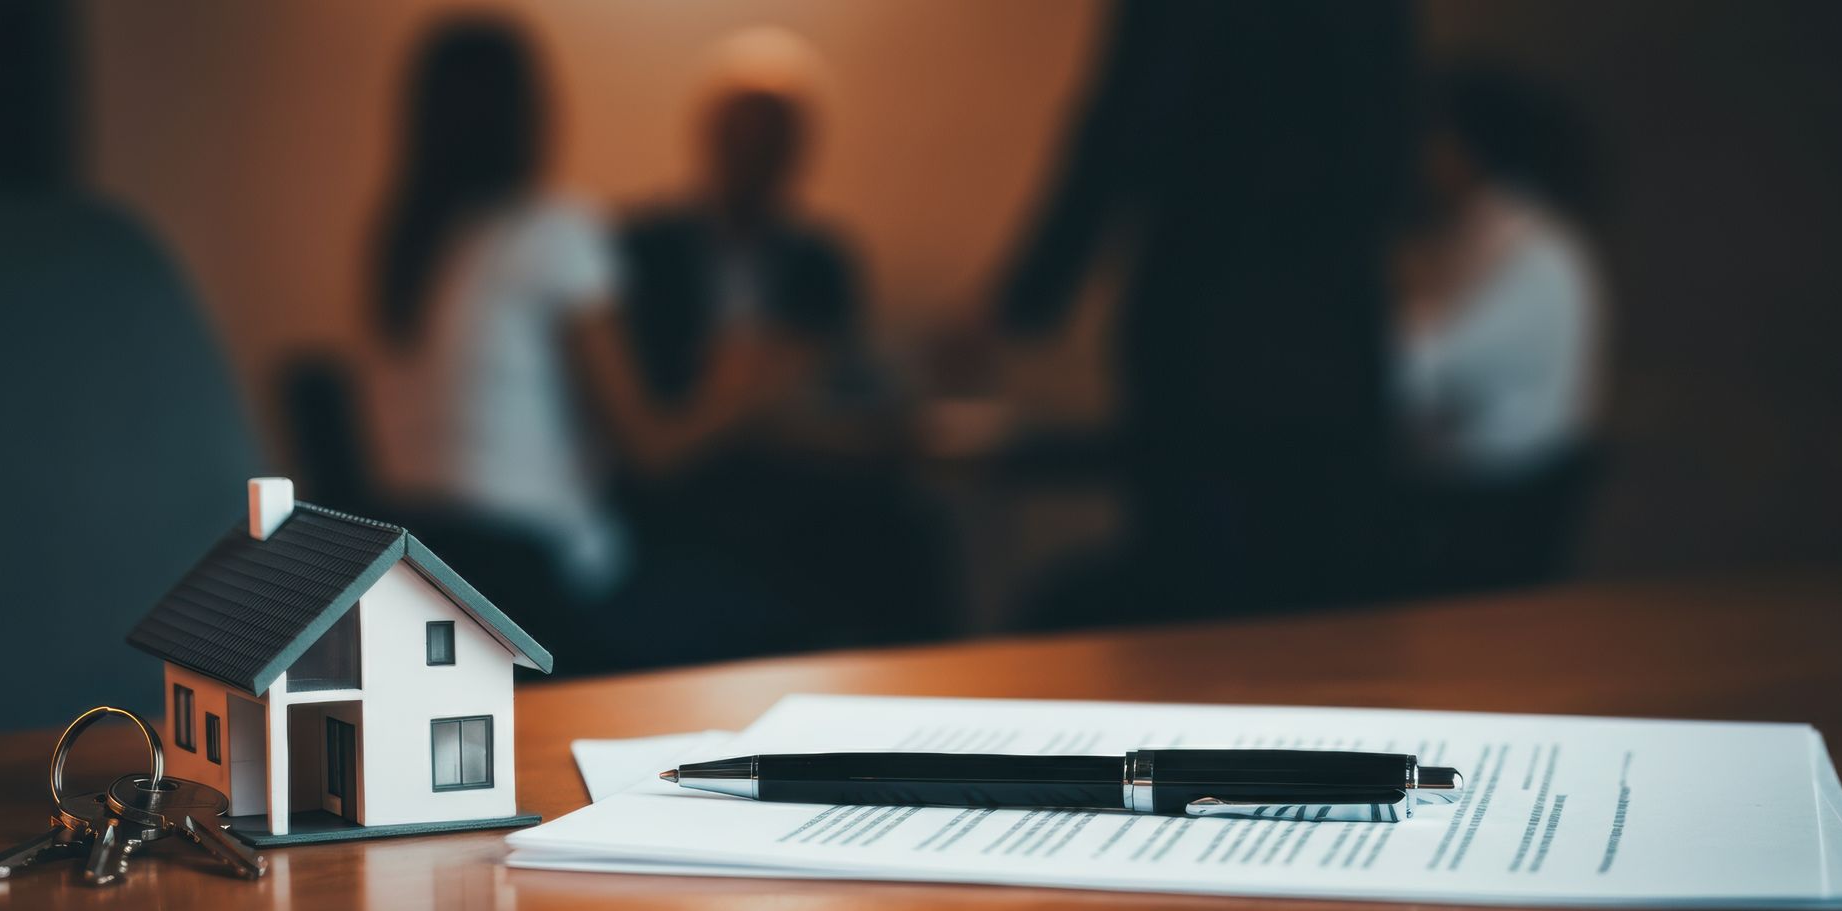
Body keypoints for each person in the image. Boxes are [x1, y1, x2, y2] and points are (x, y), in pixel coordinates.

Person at [963, 1, 1417, 628]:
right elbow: (1392, 141)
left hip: (1208, 316)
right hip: (1331, 323)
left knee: (1200, 601)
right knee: (1322, 604)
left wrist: (1025, 300)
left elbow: (1123, 124)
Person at [366, 15, 799, 671]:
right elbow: (652, 449)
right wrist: (745, 388)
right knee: (782, 610)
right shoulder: (555, 233)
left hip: (430, 572)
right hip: (546, 584)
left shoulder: (409, 248)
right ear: (530, 113)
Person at [612, 84, 958, 646]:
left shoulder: (824, 260)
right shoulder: (643, 249)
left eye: (769, 148)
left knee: (913, 534)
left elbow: (846, 386)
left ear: (796, 156)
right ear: (709, 141)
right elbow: (637, 417)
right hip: (687, 484)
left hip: (797, 469)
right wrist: (746, 391)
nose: (752, 163)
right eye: (741, 143)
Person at [1391, 65, 1607, 593]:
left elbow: (1423, 365)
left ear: (1466, 146)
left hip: (1494, 505)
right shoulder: (1489, 232)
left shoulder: (1533, 251)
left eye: (1433, 137)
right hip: (1470, 490)